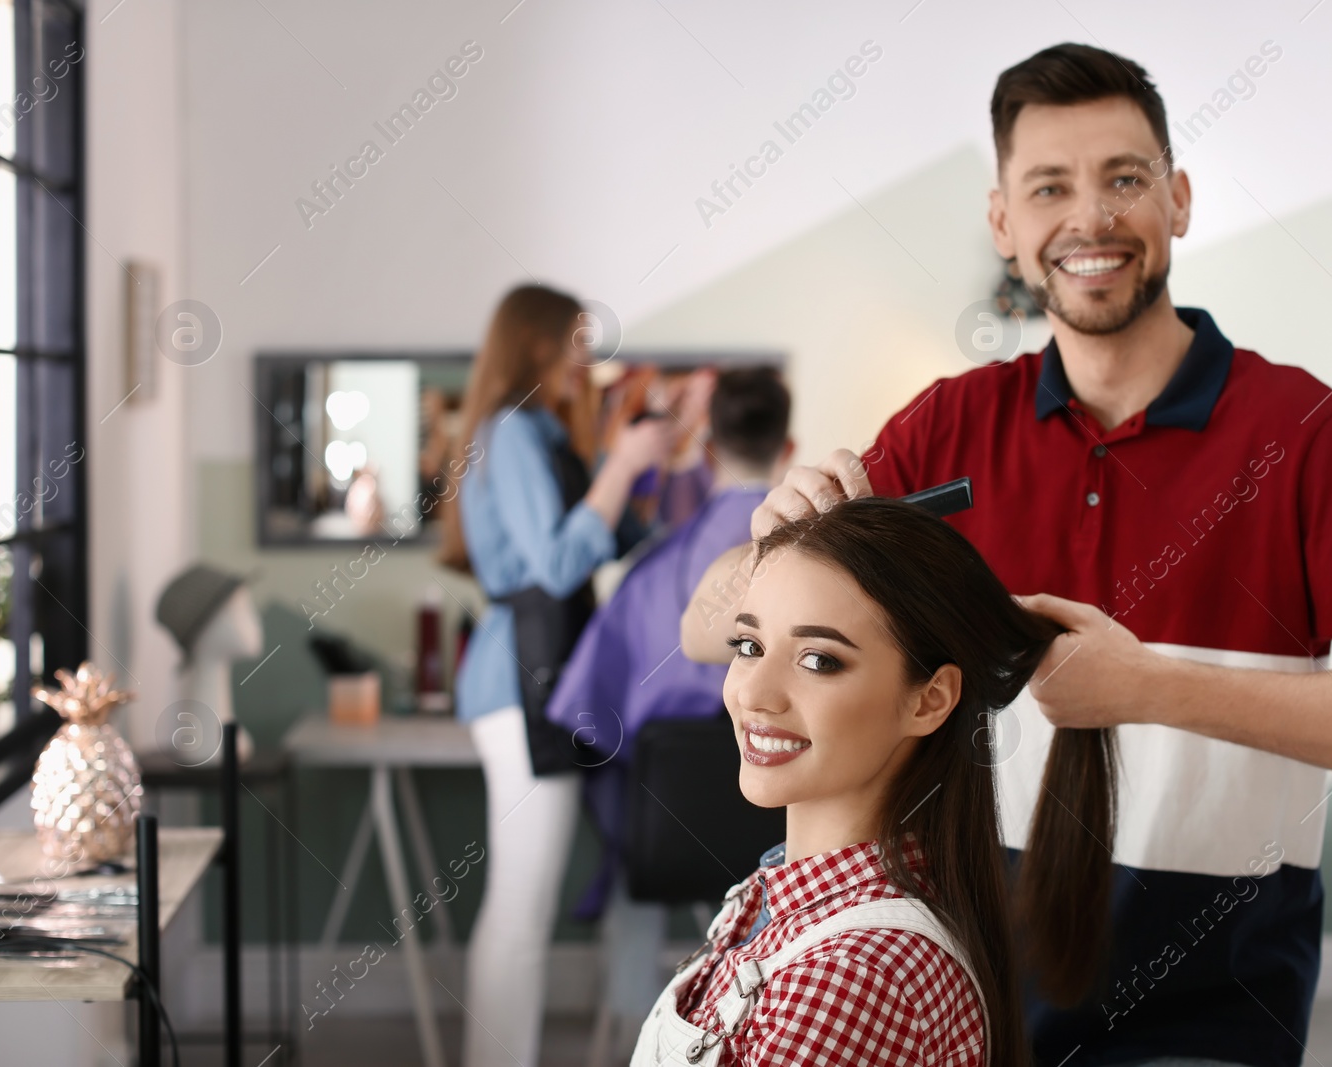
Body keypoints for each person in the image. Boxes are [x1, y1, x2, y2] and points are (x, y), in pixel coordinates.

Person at [680, 43, 1332, 1067]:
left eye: (1125, 178)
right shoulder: (947, 426)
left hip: (1205, 1020)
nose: (1092, 217)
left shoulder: (1308, 436)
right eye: (1048, 186)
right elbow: (704, 621)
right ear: (1004, 224)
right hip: (953, 997)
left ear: (1179, 200)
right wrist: (764, 544)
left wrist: (1152, 685)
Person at [635, 496, 1114, 1067]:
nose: (753, 694)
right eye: (749, 646)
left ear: (929, 700)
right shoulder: (783, 902)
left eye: (818, 661)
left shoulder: (852, 977)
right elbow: (694, 627)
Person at [443, 283, 688, 1067]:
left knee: (531, 900)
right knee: (521, 903)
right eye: (578, 343)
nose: (589, 361)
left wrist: (652, 456)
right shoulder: (507, 433)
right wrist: (619, 464)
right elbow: (554, 562)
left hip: (552, 677)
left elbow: (619, 536)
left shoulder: (548, 435)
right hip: (522, 678)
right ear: (540, 344)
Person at [542, 367, 795, 1059]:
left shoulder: (658, 569)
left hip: (664, 834)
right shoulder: (817, 563)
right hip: (775, 842)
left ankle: (631, 1037)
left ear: (707, 451)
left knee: (635, 843)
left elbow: (591, 715)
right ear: (790, 446)